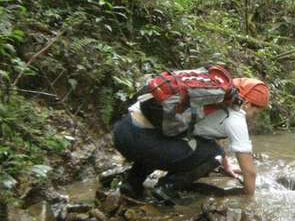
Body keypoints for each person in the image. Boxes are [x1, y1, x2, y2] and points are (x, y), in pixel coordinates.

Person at [112, 75, 270, 204]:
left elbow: (205, 133)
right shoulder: (236, 118)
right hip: (142, 142)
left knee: (172, 134)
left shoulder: (210, 97)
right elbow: (249, 172)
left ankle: (132, 183)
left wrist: (226, 164)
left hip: (122, 132)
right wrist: (249, 199)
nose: (255, 117)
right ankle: (167, 186)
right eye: (257, 112)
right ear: (247, 104)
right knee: (213, 154)